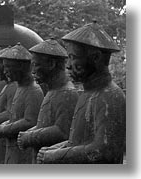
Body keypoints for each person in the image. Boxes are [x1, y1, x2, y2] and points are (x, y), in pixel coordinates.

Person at [37, 21, 126, 164]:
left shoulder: (110, 96)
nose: (68, 65)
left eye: (73, 57)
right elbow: (78, 140)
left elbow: (103, 150)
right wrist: (55, 149)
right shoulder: (87, 93)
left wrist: (56, 155)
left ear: (95, 58)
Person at [17, 39, 79, 163]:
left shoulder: (67, 93)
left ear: (51, 64)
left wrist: (30, 136)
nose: (32, 71)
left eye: (36, 65)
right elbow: (45, 124)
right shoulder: (53, 90)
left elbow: (62, 131)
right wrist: (30, 131)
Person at [0, 43, 44, 164]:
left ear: (20, 67)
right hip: (12, 148)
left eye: (8, 67)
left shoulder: (33, 91)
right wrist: (3, 125)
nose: (5, 71)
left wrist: (5, 128)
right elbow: (13, 114)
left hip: (23, 151)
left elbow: (30, 121)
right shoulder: (20, 88)